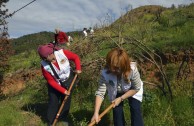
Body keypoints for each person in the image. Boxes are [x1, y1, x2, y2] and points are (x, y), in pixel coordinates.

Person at [90, 48, 144, 126]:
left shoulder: (132, 70)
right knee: (117, 112)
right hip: (116, 91)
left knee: (135, 109)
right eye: (111, 66)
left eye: (116, 68)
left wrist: (121, 98)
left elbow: (136, 88)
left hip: (132, 90)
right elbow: (100, 93)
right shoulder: (105, 73)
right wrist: (96, 113)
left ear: (124, 66)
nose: (112, 69)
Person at [37, 43, 82, 125]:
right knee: (53, 101)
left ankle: (63, 119)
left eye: (45, 57)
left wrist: (78, 68)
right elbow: (51, 81)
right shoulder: (44, 65)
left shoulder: (62, 53)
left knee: (66, 100)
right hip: (55, 84)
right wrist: (63, 90)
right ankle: (51, 121)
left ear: (51, 54)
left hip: (68, 79)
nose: (44, 59)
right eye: (43, 58)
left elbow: (75, 57)